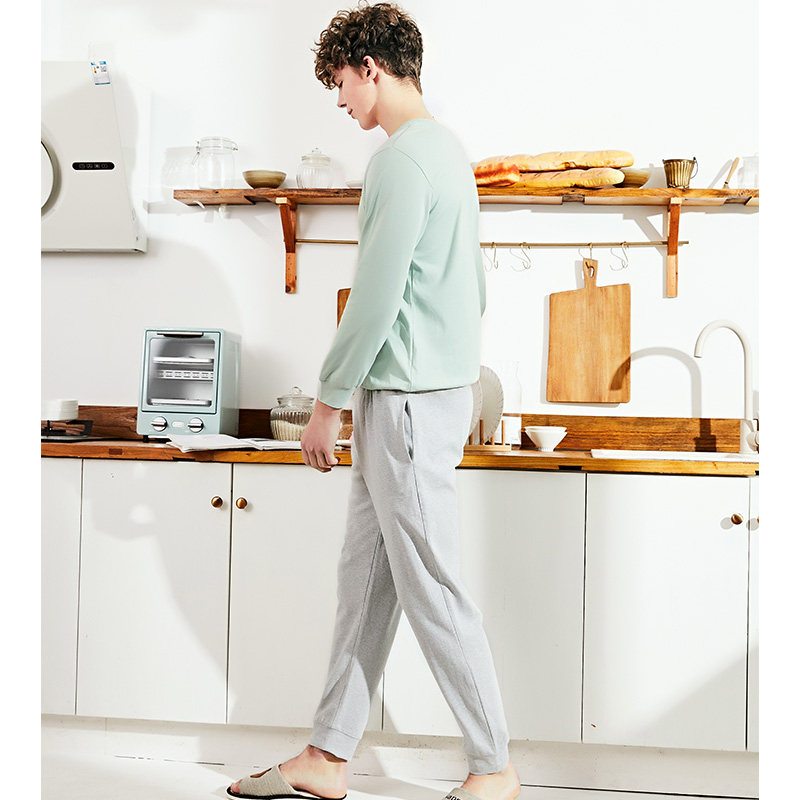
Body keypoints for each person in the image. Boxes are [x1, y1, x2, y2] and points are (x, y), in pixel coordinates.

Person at [229, 4, 520, 800]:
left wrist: (329, 403)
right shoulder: (447, 151)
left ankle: (495, 765)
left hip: (407, 405)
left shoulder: (401, 161)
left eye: (340, 81)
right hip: (426, 398)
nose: (339, 99)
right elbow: (472, 289)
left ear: (372, 68)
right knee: (367, 581)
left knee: (432, 586)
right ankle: (328, 756)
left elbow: (376, 298)